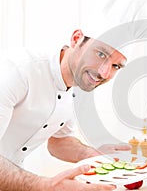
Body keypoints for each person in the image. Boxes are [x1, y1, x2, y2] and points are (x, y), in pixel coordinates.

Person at [0, 29, 132, 190]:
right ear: (76, 39)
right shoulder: (17, 71)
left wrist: (90, 155)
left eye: (116, 65)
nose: (104, 73)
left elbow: (58, 141)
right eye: (101, 55)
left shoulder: (79, 85)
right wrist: (44, 185)